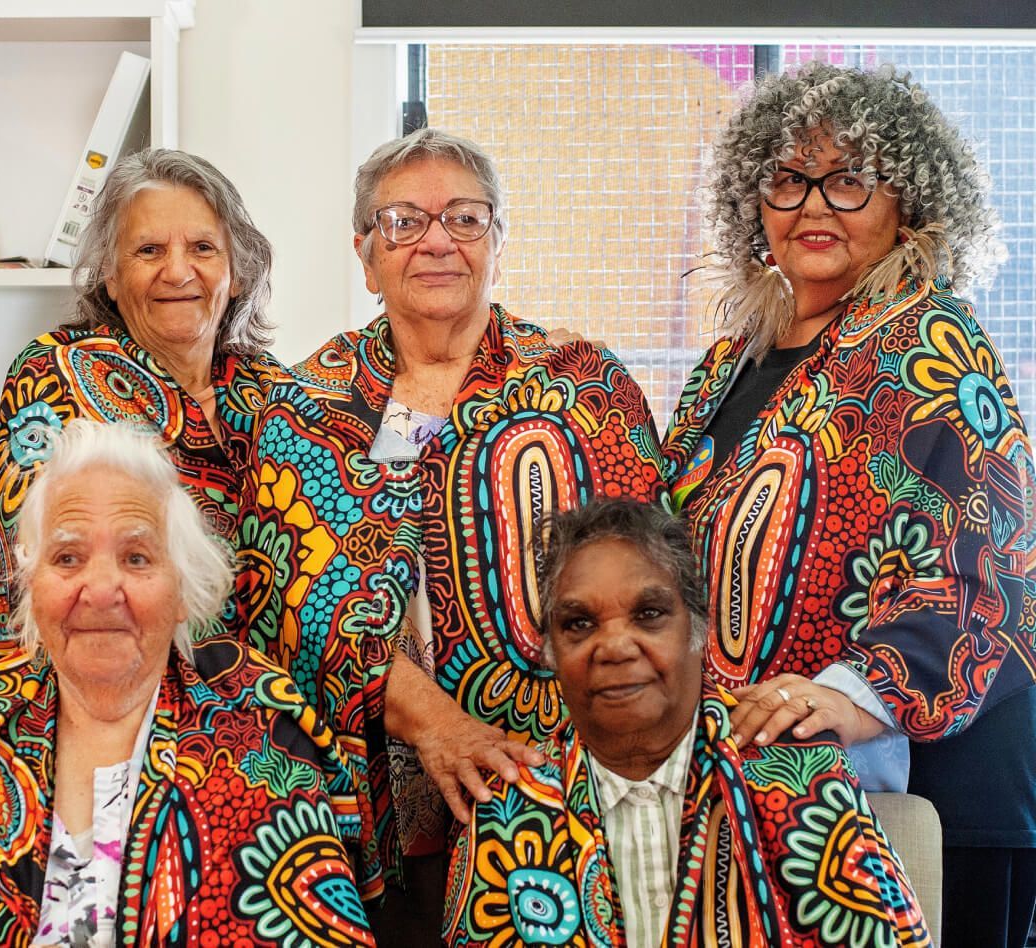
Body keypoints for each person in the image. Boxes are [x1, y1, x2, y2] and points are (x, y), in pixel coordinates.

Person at [661, 62, 1036, 947]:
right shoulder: (729, 363)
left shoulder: (928, 337)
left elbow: (990, 561)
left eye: (848, 179)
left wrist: (853, 693)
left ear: (907, 201)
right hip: (786, 788)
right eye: (788, 179)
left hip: (941, 790)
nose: (813, 205)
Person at [0, 148, 401, 893]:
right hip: (110, 724)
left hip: (274, 741)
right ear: (111, 276)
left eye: (202, 248)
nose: (178, 270)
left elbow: (342, 573)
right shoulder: (57, 374)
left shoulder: (281, 395)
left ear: (236, 269)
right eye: (148, 250)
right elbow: (42, 563)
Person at [293, 128, 666, 937]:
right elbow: (290, 597)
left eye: (464, 219)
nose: (436, 241)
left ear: (499, 242)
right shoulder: (307, 404)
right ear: (365, 253)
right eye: (403, 221)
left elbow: (652, 581)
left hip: (544, 782)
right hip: (362, 791)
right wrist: (430, 719)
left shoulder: (582, 384)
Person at [0, 419, 373, 946]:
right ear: (33, 588)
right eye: (68, 557)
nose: (100, 589)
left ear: (183, 588)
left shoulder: (259, 726)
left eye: (136, 557)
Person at [445, 498, 931, 947]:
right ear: (551, 652)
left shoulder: (805, 779)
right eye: (579, 623)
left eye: (649, 614)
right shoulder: (506, 808)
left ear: (697, 631)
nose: (614, 647)